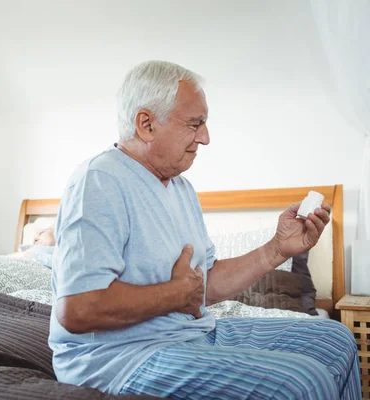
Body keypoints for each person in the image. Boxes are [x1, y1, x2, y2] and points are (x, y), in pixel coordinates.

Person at [48, 60, 361, 399]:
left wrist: (278, 248)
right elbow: (77, 309)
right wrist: (175, 294)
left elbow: (204, 284)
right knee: (303, 381)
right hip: (121, 357)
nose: (206, 138)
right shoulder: (99, 181)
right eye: (195, 124)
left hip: (190, 333)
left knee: (335, 339)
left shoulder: (181, 189)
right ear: (146, 124)